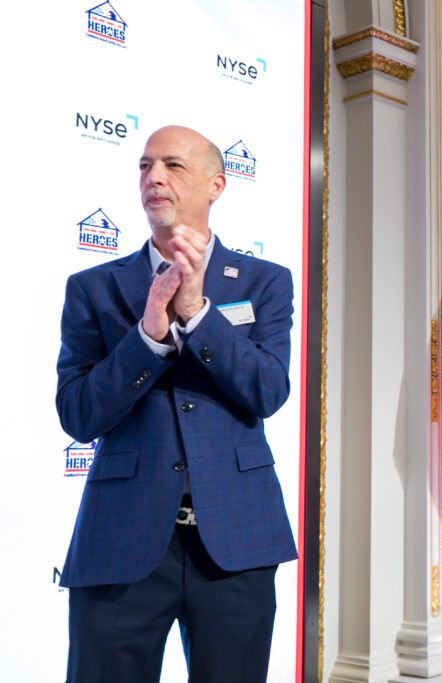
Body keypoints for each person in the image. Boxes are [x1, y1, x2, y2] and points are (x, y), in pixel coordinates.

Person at [56, 125, 297, 683]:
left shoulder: (263, 281)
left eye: (172, 165)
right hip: (121, 538)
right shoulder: (92, 287)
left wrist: (197, 315)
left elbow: (269, 390)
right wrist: (147, 338)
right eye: (145, 166)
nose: (154, 177)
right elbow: (78, 414)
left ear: (216, 184)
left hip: (236, 539)